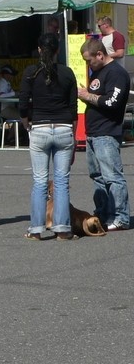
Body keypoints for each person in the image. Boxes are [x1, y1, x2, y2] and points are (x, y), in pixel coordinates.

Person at [18, 33, 78, 240]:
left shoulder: (31, 72)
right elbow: (73, 107)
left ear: (39, 50)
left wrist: (27, 124)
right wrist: (74, 134)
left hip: (40, 127)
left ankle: (36, 229)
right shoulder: (68, 73)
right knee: (61, 181)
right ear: (57, 51)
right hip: (64, 127)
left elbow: (23, 102)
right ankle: (62, 228)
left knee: (40, 181)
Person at [77, 38, 130, 231]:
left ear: (100, 54)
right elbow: (98, 100)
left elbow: (112, 102)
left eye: (89, 60)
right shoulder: (98, 72)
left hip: (107, 132)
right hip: (93, 132)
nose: (88, 64)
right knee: (97, 176)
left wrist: (86, 95)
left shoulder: (117, 73)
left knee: (112, 176)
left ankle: (120, 216)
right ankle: (102, 213)